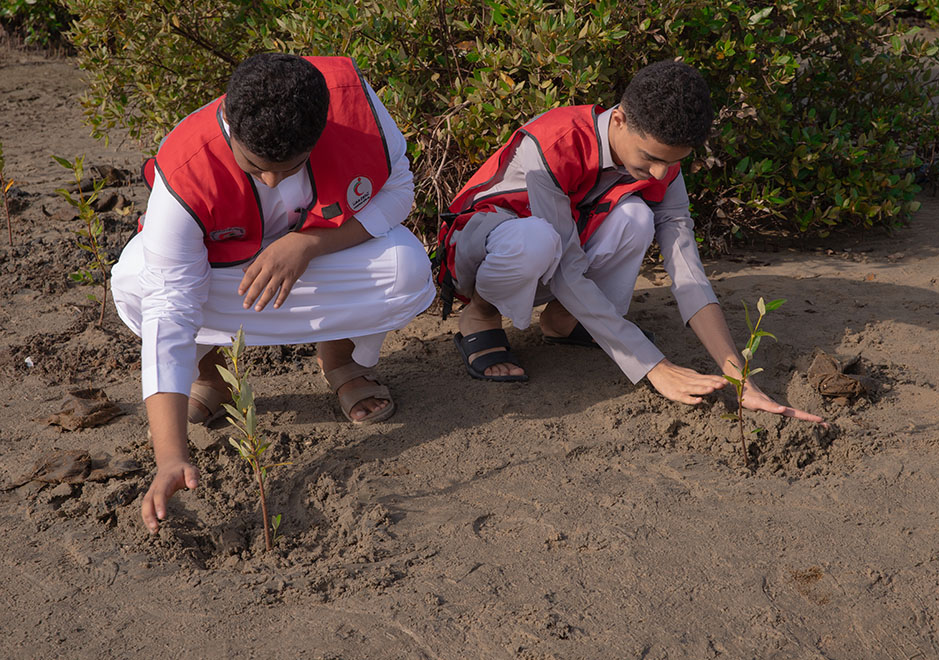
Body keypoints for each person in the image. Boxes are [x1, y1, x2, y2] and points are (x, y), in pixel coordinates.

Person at [111, 54, 435, 534]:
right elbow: (169, 303)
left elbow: (398, 190)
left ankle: (341, 361)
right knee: (137, 280)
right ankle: (211, 375)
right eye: (255, 166)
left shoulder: (356, 111)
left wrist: (307, 244)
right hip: (219, 273)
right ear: (229, 124)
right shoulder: (188, 162)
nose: (270, 181)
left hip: (315, 256)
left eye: (289, 168)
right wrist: (171, 455)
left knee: (404, 269)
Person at [436, 60, 822, 423]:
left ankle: (561, 320)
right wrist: (656, 366)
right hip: (483, 245)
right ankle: (482, 314)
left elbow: (687, 271)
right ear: (618, 119)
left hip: (556, 246)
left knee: (636, 217)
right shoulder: (555, 142)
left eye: (672, 162)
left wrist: (740, 378)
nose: (660, 173)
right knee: (536, 239)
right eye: (652, 158)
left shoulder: (663, 160)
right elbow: (566, 269)